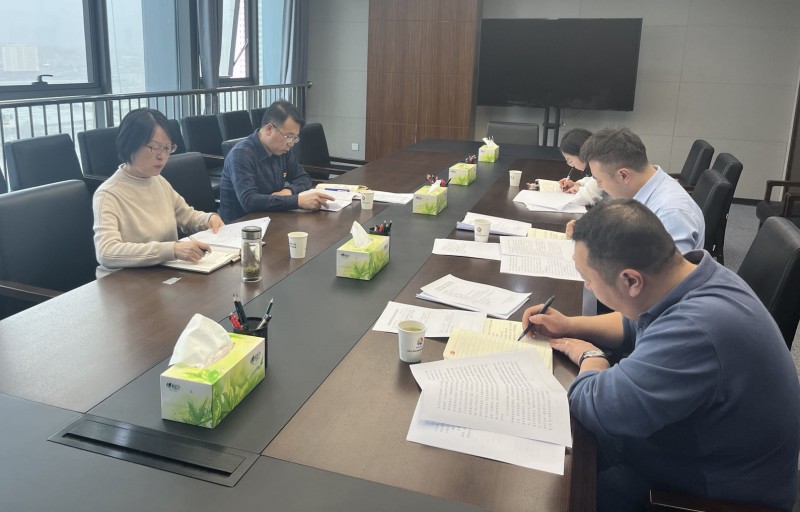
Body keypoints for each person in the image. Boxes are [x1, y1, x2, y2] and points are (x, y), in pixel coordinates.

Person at [522, 199, 800, 512]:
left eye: (589, 279)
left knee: (554, 490)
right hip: (696, 449)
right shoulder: (694, 276)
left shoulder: (695, 330)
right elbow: (633, 321)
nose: (587, 285)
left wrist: (591, 357)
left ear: (631, 280)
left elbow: (597, 406)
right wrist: (570, 324)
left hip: (707, 496)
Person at [93, 108, 224, 278]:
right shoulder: (108, 194)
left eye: (167, 148)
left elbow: (187, 216)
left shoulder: (158, 181)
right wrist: (171, 250)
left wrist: (209, 219)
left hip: (161, 273)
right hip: (123, 282)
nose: (162, 156)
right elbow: (106, 251)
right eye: (155, 148)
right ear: (129, 145)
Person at [218, 100, 333, 222]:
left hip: (271, 217)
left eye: (295, 138)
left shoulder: (281, 150)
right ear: (269, 129)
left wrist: (289, 191)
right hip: (241, 225)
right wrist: (297, 201)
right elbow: (249, 201)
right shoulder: (241, 154)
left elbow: (303, 178)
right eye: (288, 136)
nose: (291, 143)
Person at [557, 128, 603, 207]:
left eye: (570, 161)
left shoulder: (602, 167)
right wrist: (577, 184)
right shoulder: (598, 162)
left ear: (581, 154)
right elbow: (591, 179)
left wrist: (579, 189)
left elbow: (583, 199)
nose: (570, 165)